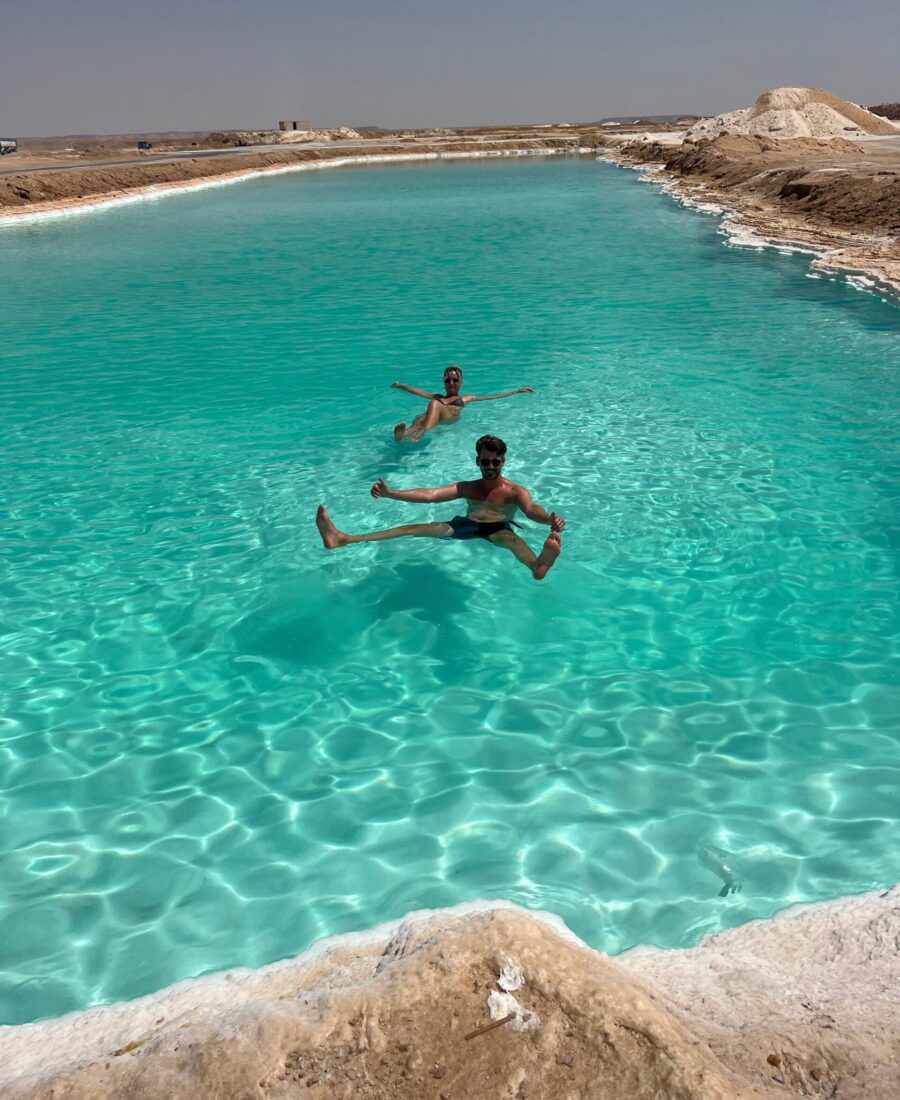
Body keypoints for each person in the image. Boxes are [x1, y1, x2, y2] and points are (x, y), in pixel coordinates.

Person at [315, 434, 564, 580]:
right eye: (485, 462)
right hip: (468, 526)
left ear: (503, 462)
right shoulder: (468, 487)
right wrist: (391, 494)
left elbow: (531, 510)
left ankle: (537, 565)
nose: (490, 467)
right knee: (413, 528)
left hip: (499, 528)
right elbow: (430, 495)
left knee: (512, 541)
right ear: (477, 461)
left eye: (495, 462)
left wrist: (549, 521)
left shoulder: (515, 491)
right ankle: (343, 539)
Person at [392, 365, 533, 443]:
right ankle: (403, 434)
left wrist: (517, 391)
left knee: (433, 404)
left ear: (461, 383)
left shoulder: (465, 399)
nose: (451, 383)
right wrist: (401, 385)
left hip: (449, 417)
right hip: (430, 417)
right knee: (420, 419)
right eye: (448, 380)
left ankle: (422, 433)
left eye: (455, 380)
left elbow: (491, 397)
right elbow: (416, 391)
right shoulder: (438, 396)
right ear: (444, 383)